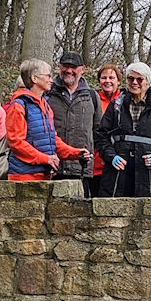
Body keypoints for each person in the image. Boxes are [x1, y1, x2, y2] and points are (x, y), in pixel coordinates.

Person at [95, 62, 151, 197]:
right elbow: (101, 136)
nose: (134, 83)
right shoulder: (116, 106)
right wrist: (111, 156)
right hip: (117, 177)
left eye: (139, 79)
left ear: (148, 82)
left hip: (148, 177)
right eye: (131, 79)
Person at [6, 59, 90, 181]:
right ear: (34, 78)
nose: (51, 80)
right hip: (23, 176)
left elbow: (52, 140)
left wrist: (75, 153)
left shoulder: (45, 105)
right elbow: (16, 142)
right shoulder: (18, 106)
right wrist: (46, 159)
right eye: (48, 76)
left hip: (44, 175)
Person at [46, 52, 101, 195]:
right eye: (65, 66)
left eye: (73, 67)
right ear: (59, 67)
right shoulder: (48, 94)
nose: (69, 71)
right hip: (52, 165)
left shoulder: (92, 96)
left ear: (82, 69)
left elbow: (98, 130)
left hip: (81, 167)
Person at [91, 63, 124, 195]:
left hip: (118, 161)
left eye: (112, 78)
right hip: (96, 162)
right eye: (104, 78)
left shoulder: (124, 101)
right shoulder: (92, 99)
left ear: (119, 81)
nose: (108, 81)